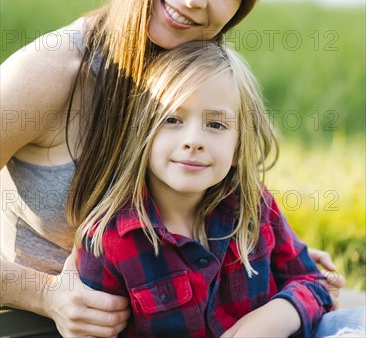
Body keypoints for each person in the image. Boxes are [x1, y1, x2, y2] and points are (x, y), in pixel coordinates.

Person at [0, 0, 346, 337]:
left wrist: (279, 257)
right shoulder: (50, 71)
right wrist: (42, 293)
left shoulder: (193, 73)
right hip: (38, 322)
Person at [77, 41, 365, 338]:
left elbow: (314, 281)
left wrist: (278, 315)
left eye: (215, 124)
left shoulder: (252, 204)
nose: (193, 140)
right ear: (141, 134)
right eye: (172, 119)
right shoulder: (110, 239)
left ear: (240, 146)